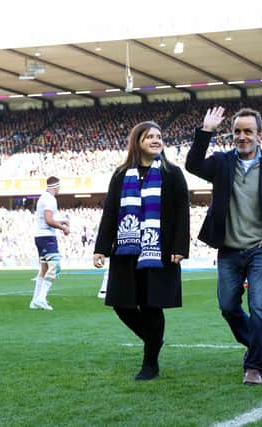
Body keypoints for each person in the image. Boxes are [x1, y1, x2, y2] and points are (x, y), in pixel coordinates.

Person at [185, 106, 262, 385]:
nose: (242, 136)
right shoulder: (222, 162)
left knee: (259, 306)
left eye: (248, 131)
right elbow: (193, 165)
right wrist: (206, 131)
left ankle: (254, 366)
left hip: (261, 249)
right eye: (237, 131)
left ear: (260, 135)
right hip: (228, 249)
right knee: (227, 306)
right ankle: (256, 342)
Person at [94, 121, 189, 381]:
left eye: (159, 137)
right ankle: (153, 340)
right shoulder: (120, 174)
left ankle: (150, 364)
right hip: (126, 250)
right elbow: (111, 211)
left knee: (151, 305)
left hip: (160, 250)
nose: (156, 140)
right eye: (150, 137)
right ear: (138, 142)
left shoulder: (173, 173)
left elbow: (183, 211)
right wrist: (101, 248)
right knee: (121, 304)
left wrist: (181, 246)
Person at [30, 176, 70, 310]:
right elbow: (48, 219)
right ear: (56, 186)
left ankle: (35, 300)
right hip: (47, 237)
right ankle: (41, 298)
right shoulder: (50, 200)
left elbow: (50, 217)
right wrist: (63, 227)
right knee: (55, 267)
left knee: (44, 269)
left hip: (40, 236)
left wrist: (62, 221)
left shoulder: (43, 197)